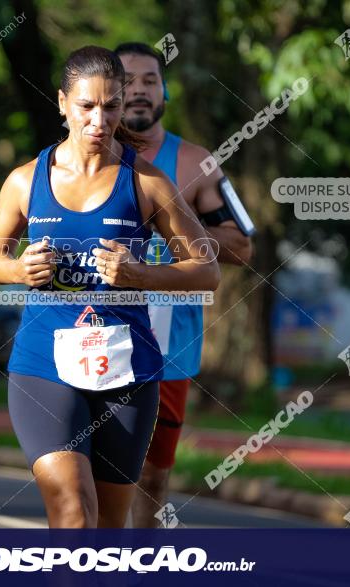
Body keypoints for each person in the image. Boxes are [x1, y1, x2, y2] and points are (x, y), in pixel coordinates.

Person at [0, 46, 220, 528]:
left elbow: (206, 269)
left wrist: (142, 275)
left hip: (128, 374)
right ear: (63, 103)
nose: (98, 119)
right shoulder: (26, 181)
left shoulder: (147, 182)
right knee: (72, 514)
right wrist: (19, 269)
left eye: (110, 106)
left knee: (107, 534)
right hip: (44, 365)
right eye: (86, 106)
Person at [114, 42, 253, 528]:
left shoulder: (197, 163)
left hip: (167, 345)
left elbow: (242, 246)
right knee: (90, 470)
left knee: (152, 476)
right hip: (88, 335)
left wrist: (176, 232)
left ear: (164, 90)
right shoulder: (79, 160)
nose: (138, 91)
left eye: (150, 80)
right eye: (127, 80)